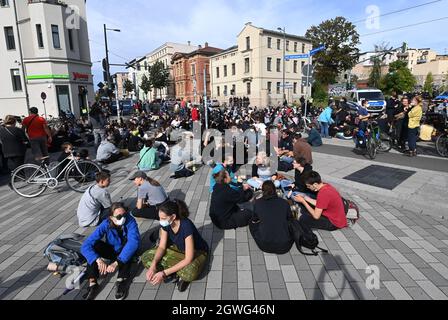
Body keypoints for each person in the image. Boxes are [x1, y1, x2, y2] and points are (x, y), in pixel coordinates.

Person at [141, 200, 209, 293]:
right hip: (179, 249)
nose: (161, 221)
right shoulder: (166, 224)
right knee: (146, 257)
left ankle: (171, 272)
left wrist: (164, 273)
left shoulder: (186, 225)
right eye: (159, 218)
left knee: (190, 272)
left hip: (197, 252)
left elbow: (188, 258)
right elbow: (161, 247)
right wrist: (153, 265)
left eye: (163, 218)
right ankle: (176, 273)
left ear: (173, 216)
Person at [81, 202, 140, 300]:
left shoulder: (130, 221)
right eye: (119, 216)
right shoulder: (105, 224)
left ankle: (121, 280)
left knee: (129, 249)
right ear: (111, 217)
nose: (123, 218)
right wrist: (98, 260)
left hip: (125, 251)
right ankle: (93, 283)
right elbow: (86, 245)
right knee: (95, 246)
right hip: (113, 250)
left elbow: (134, 242)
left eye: (124, 214)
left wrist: (116, 263)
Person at [249, 181, 294, 254]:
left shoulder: (258, 203)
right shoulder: (284, 202)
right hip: (284, 245)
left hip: (264, 245)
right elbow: (290, 219)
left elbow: (255, 219)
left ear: (263, 191)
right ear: (275, 190)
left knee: (251, 222)